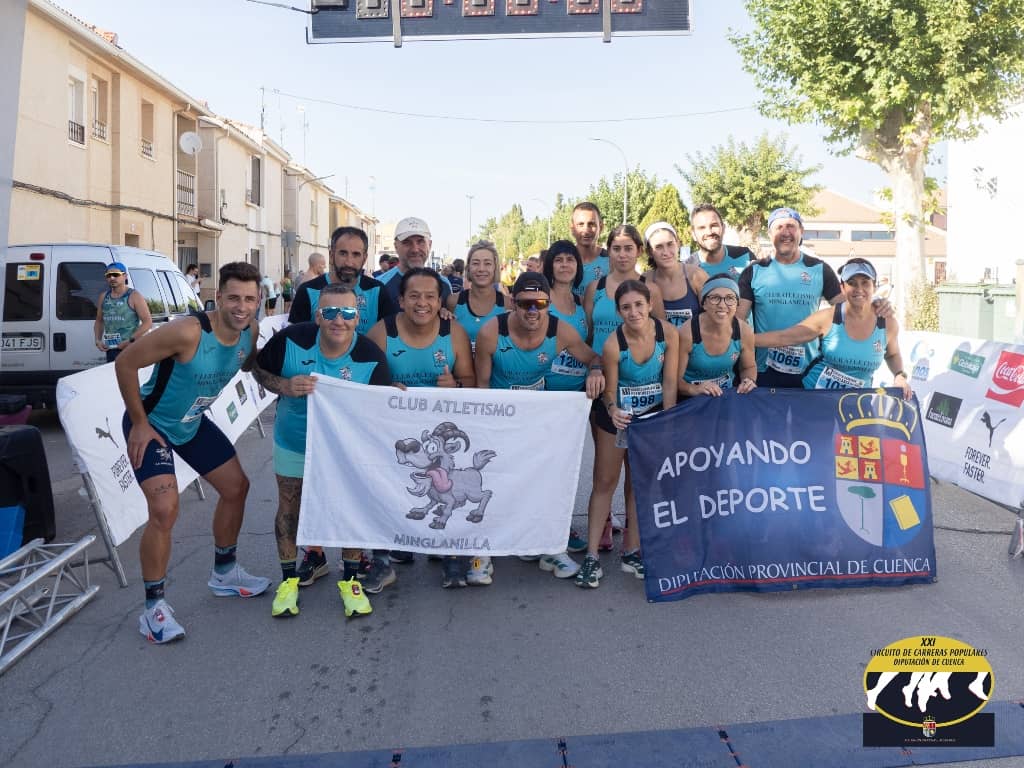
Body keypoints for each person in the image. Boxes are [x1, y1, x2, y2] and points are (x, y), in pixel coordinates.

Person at [114, 262, 270, 644]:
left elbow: (249, 361)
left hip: (191, 423)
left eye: (250, 299)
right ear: (218, 297)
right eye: (233, 297)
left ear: (258, 302)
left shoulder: (250, 331)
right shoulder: (187, 332)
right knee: (165, 510)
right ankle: (153, 609)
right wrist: (139, 423)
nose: (241, 306)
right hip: (152, 423)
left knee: (236, 487)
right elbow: (125, 362)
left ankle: (225, 572)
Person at [253, 284, 393, 619]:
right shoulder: (292, 340)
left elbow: (384, 407)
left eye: (347, 313)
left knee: (350, 509)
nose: (338, 320)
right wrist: (284, 386)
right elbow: (258, 369)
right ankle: (288, 582)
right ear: (318, 316)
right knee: (290, 508)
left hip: (345, 449)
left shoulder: (370, 356)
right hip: (294, 441)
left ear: (357, 318)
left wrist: (396, 395)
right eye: (330, 312)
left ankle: (351, 582)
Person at [475, 272, 605, 582]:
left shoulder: (560, 330)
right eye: (525, 304)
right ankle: (481, 552)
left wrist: (595, 371)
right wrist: (484, 429)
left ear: (549, 304)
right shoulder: (491, 332)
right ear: (512, 303)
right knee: (492, 481)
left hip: (537, 415)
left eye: (540, 304)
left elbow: (593, 357)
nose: (533, 311)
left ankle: (549, 547)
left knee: (546, 479)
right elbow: (480, 386)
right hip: (499, 414)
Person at [366, 267, 475, 584]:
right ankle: (382, 558)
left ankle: (451, 552)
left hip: (439, 434)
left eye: (430, 296)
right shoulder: (382, 333)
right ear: (401, 300)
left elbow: (471, 383)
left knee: (447, 488)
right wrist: (384, 387)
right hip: (394, 431)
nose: (422, 303)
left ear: (440, 302)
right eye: (414, 296)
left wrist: (455, 385)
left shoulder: (453, 333)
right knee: (385, 488)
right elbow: (363, 385)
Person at [577, 279, 678, 588]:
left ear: (650, 305)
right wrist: (612, 410)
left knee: (638, 483)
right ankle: (591, 556)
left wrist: (667, 421)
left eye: (638, 305)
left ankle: (631, 551)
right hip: (617, 417)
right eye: (626, 307)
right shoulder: (613, 345)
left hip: (651, 415)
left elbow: (669, 382)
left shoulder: (668, 334)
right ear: (619, 312)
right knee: (605, 482)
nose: (633, 312)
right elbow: (608, 392)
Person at [584, 224, 665, 549]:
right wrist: (595, 366)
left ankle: (633, 542)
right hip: (604, 385)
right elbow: (589, 335)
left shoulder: (650, 288)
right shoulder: (595, 287)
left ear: (638, 251)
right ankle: (603, 527)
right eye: (616, 248)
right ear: (609, 251)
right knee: (605, 469)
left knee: (636, 472)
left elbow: (659, 334)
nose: (621, 254)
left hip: (644, 389)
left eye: (628, 248)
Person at [753, 258, 912, 398]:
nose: (859, 289)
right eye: (852, 283)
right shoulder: (828, 317)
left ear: (874, 287)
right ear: (842, 288)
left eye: (865, 282)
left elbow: (892, 354)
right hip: (814, 397)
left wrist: (899, 375)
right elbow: (784, 337)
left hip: (856, 404)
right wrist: (743, 339)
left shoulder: (887, 323)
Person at [737, 207, 844, 388]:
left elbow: (846, 313)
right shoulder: (754, 271)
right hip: (763, 370)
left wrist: (876, 306)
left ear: (801, 231)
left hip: (807, 372)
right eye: (779, 227)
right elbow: (737, 321)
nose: (785, 232)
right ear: (770, 234)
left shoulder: (819, 269)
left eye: (791, 226)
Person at [289, 226, 396, 337]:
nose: (349, 262)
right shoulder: (308, 291)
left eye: (356, 255)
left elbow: (390, 337)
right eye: (343, 254)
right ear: (331, 256)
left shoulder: (377, 291)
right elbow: (296, 339)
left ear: (364, 259)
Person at [678, 275, 758, 397]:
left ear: (737, 304)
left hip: (726, 395)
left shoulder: (744, 331)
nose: (722, 305)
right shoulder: (687, 333)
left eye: (730, 298)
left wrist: (748, 381)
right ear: (704, 303)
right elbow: (674, 381)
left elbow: (749, 367)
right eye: (715, 298)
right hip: (690, 399)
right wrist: (695, 389)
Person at [642, 221, 708, 328]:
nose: (666, 252)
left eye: (670, 244)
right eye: (658, 247)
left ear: (678, 244)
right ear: (649, 252)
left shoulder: (696, 275)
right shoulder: (645, 280)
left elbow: (712, 318)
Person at [446, 242, 510, 351]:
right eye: (475, 263)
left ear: (495, 267)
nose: (481, 269)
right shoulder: (453, 301)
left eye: (487, 263)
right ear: (468, 268)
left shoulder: (508, 304)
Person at [377, 217, 452, 307]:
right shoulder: (378, 286)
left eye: (421, 242)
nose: (415, 249)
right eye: (407, 242)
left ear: (430, 245)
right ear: (396, 246)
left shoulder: (444, 284)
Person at [94, 261, 153, 362]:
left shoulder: (134, 296)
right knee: (113, 372)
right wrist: (97, 340)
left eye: (116, 274)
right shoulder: (104, 297)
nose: (112, 278)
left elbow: (147, 322)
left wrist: (130, 340)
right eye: (108, 275)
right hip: (111, 349)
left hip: (131, 348)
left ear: (125, 276)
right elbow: (99, 321)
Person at [690, 204, 756, 279]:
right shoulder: (686, 270)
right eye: (702, 228)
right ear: (693, 234)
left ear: (723, 228)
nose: (709, 232)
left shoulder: (745, 256)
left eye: (714, 225)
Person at [570, 202, 610, 298]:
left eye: (591, 224)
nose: (586, 230)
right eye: (580, 224)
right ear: (572, 228)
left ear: (601, 227)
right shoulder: (561, 262)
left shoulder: (611, 262)